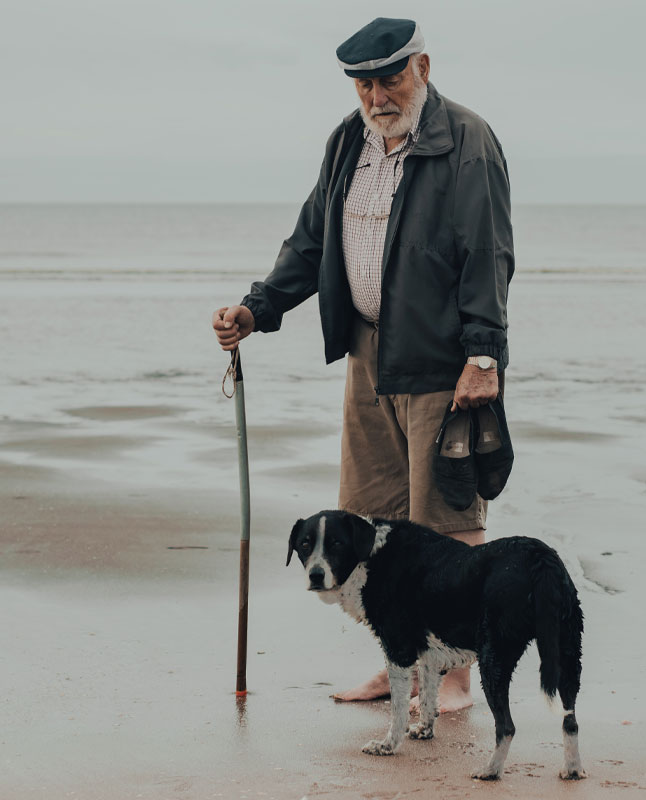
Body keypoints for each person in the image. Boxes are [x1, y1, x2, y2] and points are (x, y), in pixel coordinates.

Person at [212, 17, 514, 713]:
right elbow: (312, 238)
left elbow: (489, 255)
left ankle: (458, 677)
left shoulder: (467, 140)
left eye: (391, 78)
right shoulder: (348, 141)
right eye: (365, 83)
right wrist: (257, 309)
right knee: (372, 519)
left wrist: (484, 355)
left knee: (447, 519)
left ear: (423, 68)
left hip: (445, 361)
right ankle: (399, 662)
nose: (378, 95)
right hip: (368, 353)